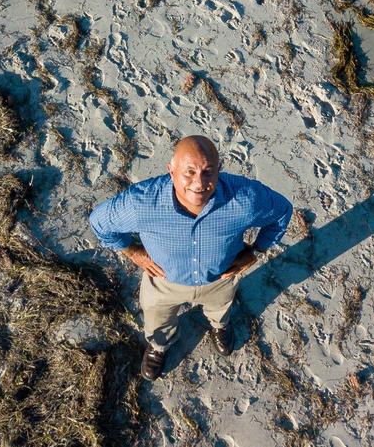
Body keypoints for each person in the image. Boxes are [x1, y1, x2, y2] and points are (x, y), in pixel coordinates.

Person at [89, 135, 292, 380]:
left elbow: (282, 212)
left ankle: (219, 326)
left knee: (221, 309)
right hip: (163, 282)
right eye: (189, 172)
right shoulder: (140, 203)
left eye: (208, 172)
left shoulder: (245, 199)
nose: (199, 183)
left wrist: (258, 250)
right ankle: (159, 346)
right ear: (171, 171)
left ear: (219, 169)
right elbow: (99, 222)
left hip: (220, 278)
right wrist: (131, 251)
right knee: (157, 318)